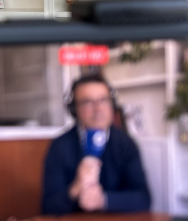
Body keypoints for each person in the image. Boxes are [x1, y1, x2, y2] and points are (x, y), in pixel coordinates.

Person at [41, 73, 151, 214]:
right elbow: (48, 208)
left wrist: (103, 200)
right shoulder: (59, 147)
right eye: (88, 102)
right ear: (75, 110)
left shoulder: (126, 144)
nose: (98, 108)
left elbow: (143, 199)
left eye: (103, 100)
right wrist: (75, 188)